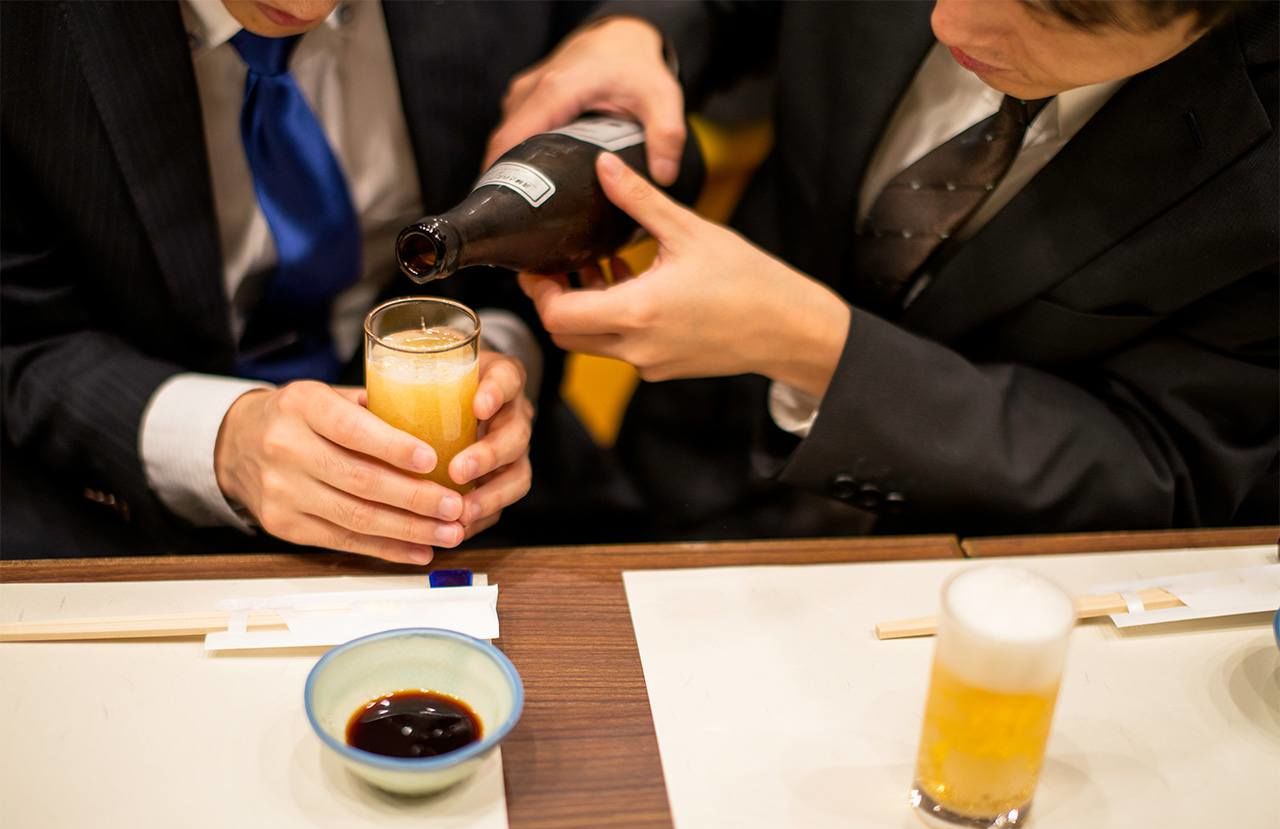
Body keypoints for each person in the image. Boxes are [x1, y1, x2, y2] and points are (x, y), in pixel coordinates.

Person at [493, 0, 1278, 538]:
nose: (948, 20)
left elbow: (1168, 466)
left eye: (1060, 14)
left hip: (979, 579)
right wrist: (639, 27)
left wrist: (818, 351)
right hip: (690, 457)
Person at [0, 0, 602, 560]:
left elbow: (617, 41)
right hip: (109, 527)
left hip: (503, 522)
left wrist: (499, 363)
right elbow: (20, 336)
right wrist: (220, 442)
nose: (305, 5)